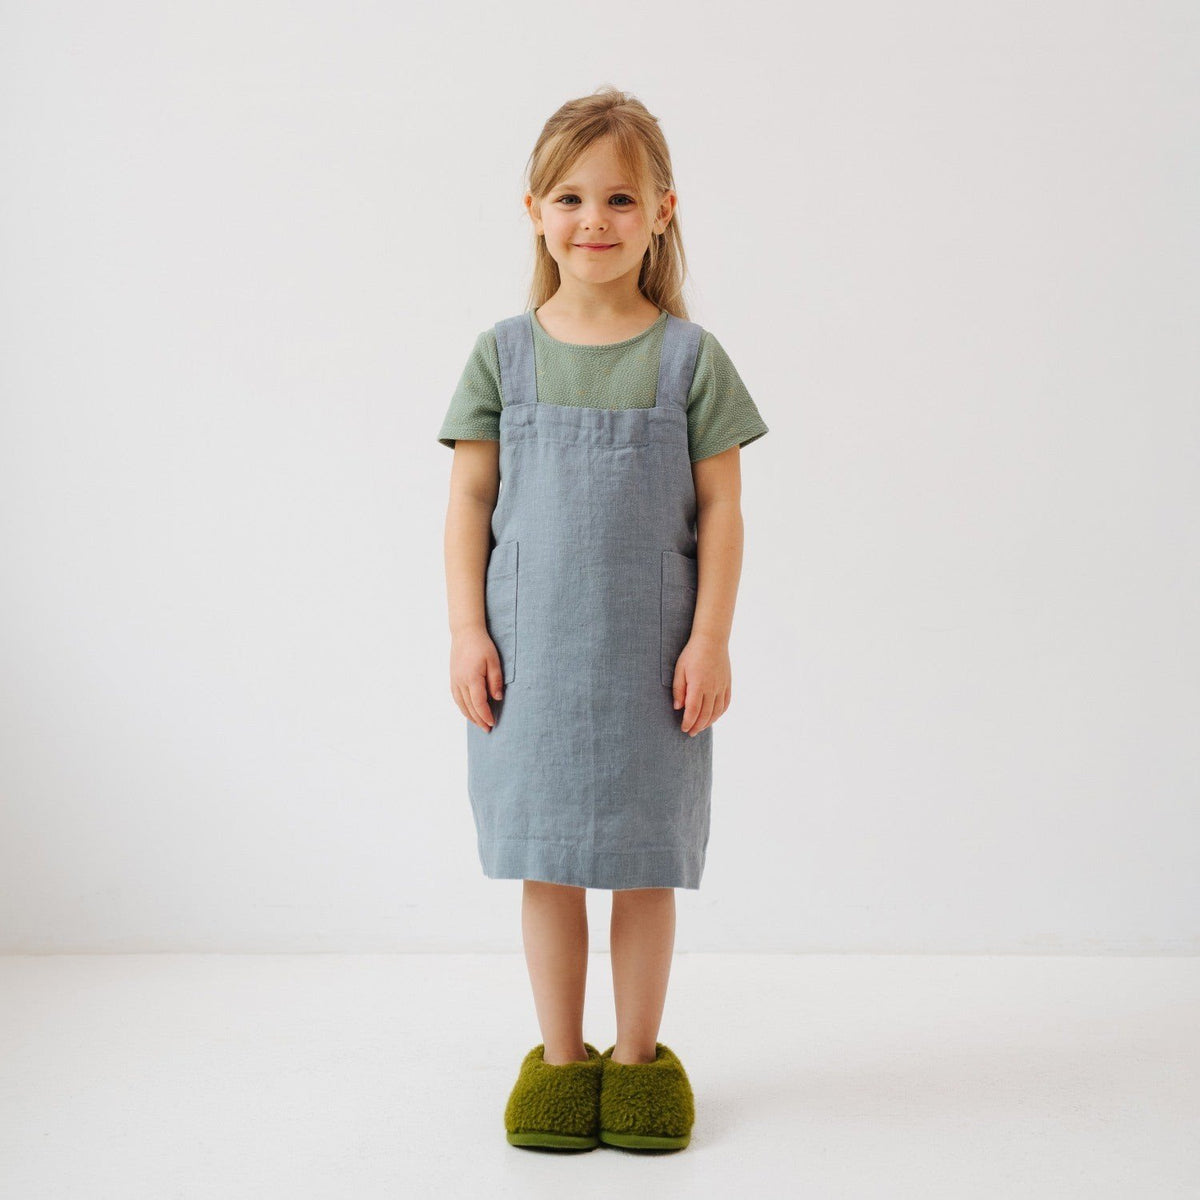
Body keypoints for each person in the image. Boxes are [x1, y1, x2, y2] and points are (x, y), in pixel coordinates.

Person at [437, 86, 769, 1153]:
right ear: (533, 208)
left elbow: (722, 508)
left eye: (621, 198)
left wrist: (710, 636)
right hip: (531, 661)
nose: (596, 221)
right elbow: (471, 505)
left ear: (663, 211)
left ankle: (636, 1064)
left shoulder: (689, 359)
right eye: (572, 197)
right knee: (545, 861)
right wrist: (466, 632)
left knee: (642, 862)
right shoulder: (503, 355)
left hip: (652, 664)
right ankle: (561, 1061)